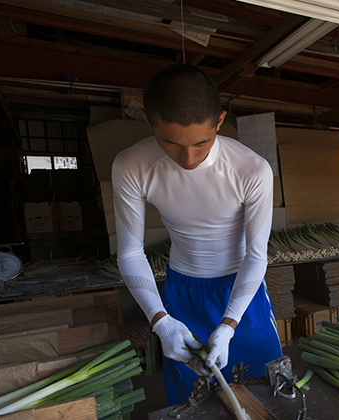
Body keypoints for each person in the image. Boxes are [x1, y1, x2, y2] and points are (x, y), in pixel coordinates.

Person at [111, 63, 282, 405]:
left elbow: (256, 255)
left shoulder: (252, 170)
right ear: (149, 121)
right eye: (171, 143)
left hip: (241, 293)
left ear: (219, 121)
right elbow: (130, 253)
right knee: (192, 402)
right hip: (182, 293)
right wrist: (160, 321)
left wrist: (229, 324)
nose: (188, 159)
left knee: (267, 395)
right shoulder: (131, 165)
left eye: (202, 143)